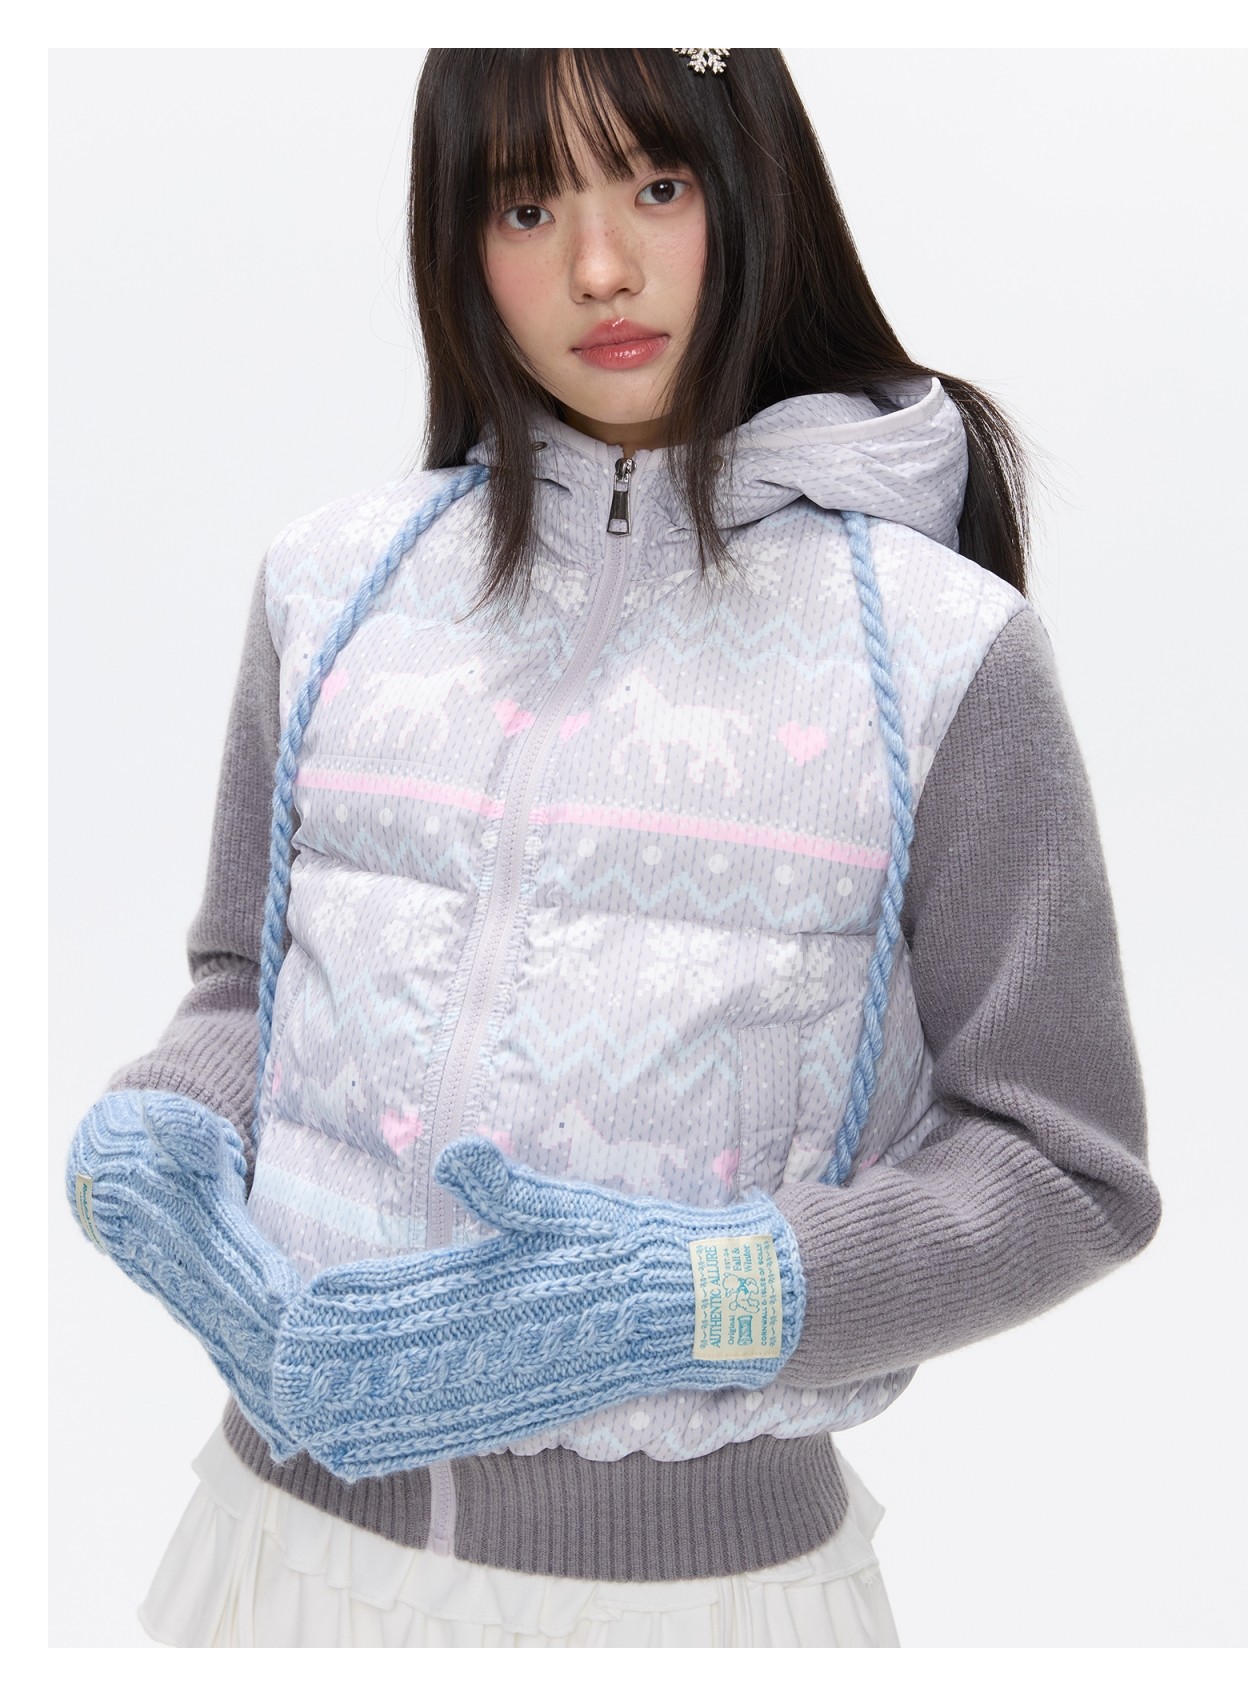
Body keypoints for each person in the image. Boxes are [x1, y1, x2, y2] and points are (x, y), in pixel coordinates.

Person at [66, 48, 1163, 1649]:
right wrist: (160, 1128)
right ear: (457, 241)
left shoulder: (939, 652)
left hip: (693, 1608)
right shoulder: (332, 587)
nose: (599, 268)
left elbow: (1066, 1165)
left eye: (656, 186)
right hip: (279, 1554)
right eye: (527, 206)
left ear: (756, 187)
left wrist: (713, 1296)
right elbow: (243, 984)